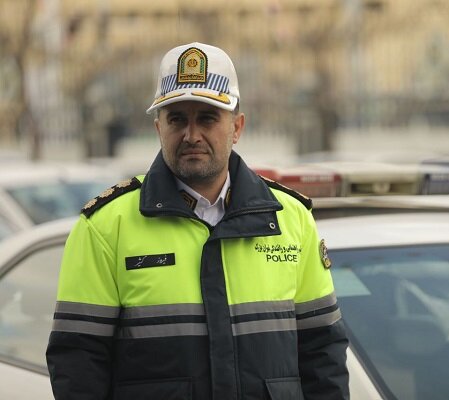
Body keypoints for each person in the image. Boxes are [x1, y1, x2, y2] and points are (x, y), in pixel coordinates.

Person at [46, 42, 349, 400]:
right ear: (159, 128)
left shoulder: (290, 218)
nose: (191, 135)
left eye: (207, 118)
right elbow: (78, 364)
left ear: (237, 127)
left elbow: (322, 354)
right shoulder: (105, 226)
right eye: (177, 119)